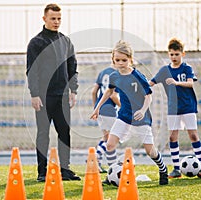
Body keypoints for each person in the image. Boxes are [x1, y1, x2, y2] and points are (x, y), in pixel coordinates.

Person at [91, 40, 169, 185]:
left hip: (141, 119)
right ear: (113, 60)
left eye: (124, 60)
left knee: (150, 151)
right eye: (117, 60)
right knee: (110, 144)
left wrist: (143, 110)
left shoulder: (137, 76)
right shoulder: (114, 76)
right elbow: (109, 91)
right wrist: (97, 108)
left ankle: (163, 169)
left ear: (131, 60)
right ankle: (113, 175)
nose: (121, 63)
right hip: (123, 117)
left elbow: (148, 96)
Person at [26, 3, 80, 182]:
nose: (56, 22)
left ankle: (65, 170)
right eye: (53, 18)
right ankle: (42, 171)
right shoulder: (36, 42)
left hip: (63, 96)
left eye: (59, 19)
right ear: (44, 19)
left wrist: (74, 90)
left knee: (64, 133)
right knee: (43, 134)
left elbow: (73, 67)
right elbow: (32, 70)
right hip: (43, 97)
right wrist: (34, 94)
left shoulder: (66, 41)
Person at [149, 38, 201, 179]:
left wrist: (176, 83)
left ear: (183, 54)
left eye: (177, 54)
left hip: (188, 106)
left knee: (193, 135)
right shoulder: (165, 70)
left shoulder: (187, 68)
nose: (174, 57)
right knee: (172, 137)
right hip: (173, 109)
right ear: (168, 55)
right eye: (171, 54)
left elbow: (190, 84)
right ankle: (176, 169)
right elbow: (150, 83)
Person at [91, 65, 120, 173]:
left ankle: (102, 162)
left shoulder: (103, 71)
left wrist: (96, 108)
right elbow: (113, 96)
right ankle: (95, 158)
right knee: (111, 138)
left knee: (106, 137)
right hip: (110, 109)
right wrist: (123, 107)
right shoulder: (118, 74)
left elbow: (94, 91)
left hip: (101, 108)